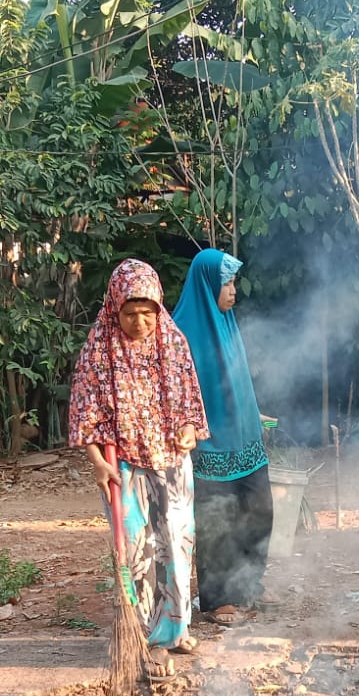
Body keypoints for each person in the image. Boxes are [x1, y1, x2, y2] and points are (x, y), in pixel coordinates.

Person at [70, 260, 210, 670]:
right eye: (130, 313)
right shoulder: (99, 349)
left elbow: (189, 402)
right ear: (115, 308)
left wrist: (187, 430)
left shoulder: (173, 341)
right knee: (137, 549)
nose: (140, 322)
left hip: (171, 462)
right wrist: (97, 462)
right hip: (123, 466)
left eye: (147, 312)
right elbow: (85, 414)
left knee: (176, 544)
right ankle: (146, 634)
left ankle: (176, 628)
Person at [170, 249, 274, 623]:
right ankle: (216, 600)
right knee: (218, 521)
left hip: (245, 439)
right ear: (207, 285)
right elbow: (178, 393)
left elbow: (235, 380)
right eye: (226, 283)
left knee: (260, 511)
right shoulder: (180, 332)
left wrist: (252, 412)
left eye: (232, 282)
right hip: (208, 444)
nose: (233, 291)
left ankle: (248, 587)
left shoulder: (226, 322)